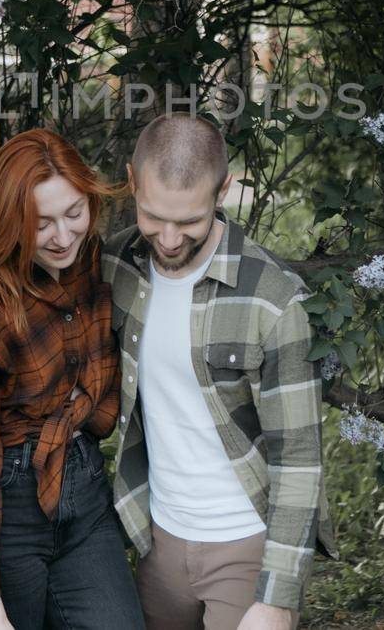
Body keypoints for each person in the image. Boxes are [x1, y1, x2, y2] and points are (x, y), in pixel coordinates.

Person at [102, 113, 338, 630]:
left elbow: (298, 458)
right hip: (155, 535)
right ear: (133, 182)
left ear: (224, 190)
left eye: (188, 221)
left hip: (245, 545)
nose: (167, 238)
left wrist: (276, 597)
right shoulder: (117, 266)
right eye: (152, 216)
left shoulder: (273, 301)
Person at [0, 128, 145, 630]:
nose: (63, 238)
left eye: (74, 214)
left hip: (83, 493)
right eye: (41, 224)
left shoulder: (86, 261)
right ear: (9, 221)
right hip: (3, 508)